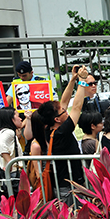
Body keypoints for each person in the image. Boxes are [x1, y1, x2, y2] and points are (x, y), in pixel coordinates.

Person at [36, 65, 88, 205]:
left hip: (65, 183)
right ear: (57, 119)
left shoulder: (50, 129)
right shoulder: (61, 132)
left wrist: (73, 80)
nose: (66, 111)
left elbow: (63, 102)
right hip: (69, 186)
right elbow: (77, 107)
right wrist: (82, 81)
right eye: (63, 112)